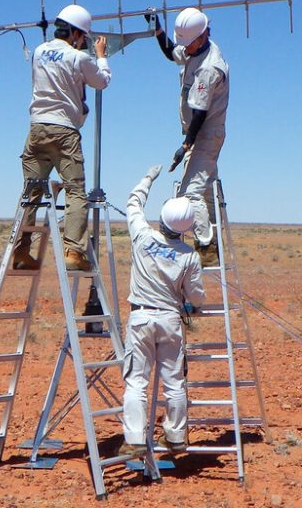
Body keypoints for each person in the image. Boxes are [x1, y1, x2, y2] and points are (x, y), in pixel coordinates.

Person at [14, 4, 110, 272]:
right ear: (78, 34)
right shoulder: (78, 58)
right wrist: (101, 56)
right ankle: (73, 252)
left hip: (36, 129)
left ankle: (21, 250)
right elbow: (101, 81)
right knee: (75, 191)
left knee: (31, 193)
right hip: (64, 131)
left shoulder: (39, 52)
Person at [119, 165, 205, 455]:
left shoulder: (143, 236)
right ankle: (176, 437)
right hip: (170, 320)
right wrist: (191, 305)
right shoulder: (189, 256)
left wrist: (148, 178)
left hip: (141, 317)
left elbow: (133, 202)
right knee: (174, 382)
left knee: (136, 381)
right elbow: (195, 296)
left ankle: (134, 441)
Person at [145, 8, 229, 267]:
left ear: (202, 37)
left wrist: (186, 145)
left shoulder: (209, 68)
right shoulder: (194, 48)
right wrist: (157, 29)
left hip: (205, 135)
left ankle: (206, 246)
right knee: (205, 193)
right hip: (196, 134)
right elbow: (172, 52)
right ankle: (214, 240)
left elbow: (201, 112)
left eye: (188, 43)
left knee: (189, 194)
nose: (185, 48)